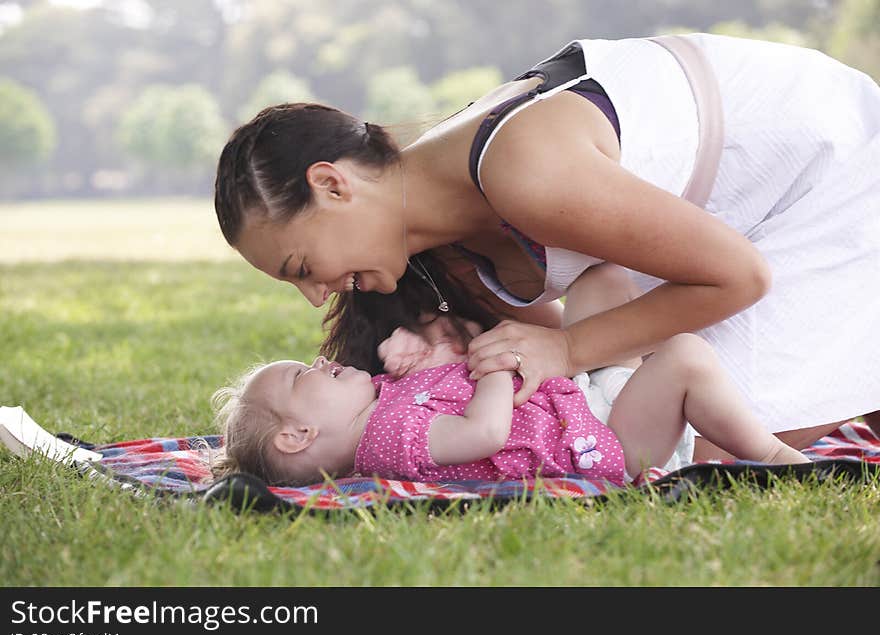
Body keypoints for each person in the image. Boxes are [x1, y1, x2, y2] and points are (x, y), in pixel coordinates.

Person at [213, 32, 880, 457]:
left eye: (301, 267)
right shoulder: (447, 256)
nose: (313, 294)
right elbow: (567, 382)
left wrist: (564, 346)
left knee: (716, 457)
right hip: (730, 222)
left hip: (833, 167)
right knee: (687, 411)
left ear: (332, 185)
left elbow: (739, 278)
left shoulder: (522, 171)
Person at [210, 327, 808, 487]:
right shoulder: (384, 440)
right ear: (299, 434)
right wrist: (494, 364)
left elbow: (443, 386)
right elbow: (486, 433)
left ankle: (749, 430)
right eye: (299, 376)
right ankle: (778, 457)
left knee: (606, 291)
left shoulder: (384, 405)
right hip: (603, 444)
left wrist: (426, 352)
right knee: (683, 356)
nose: (317, 362)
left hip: (581, 407)